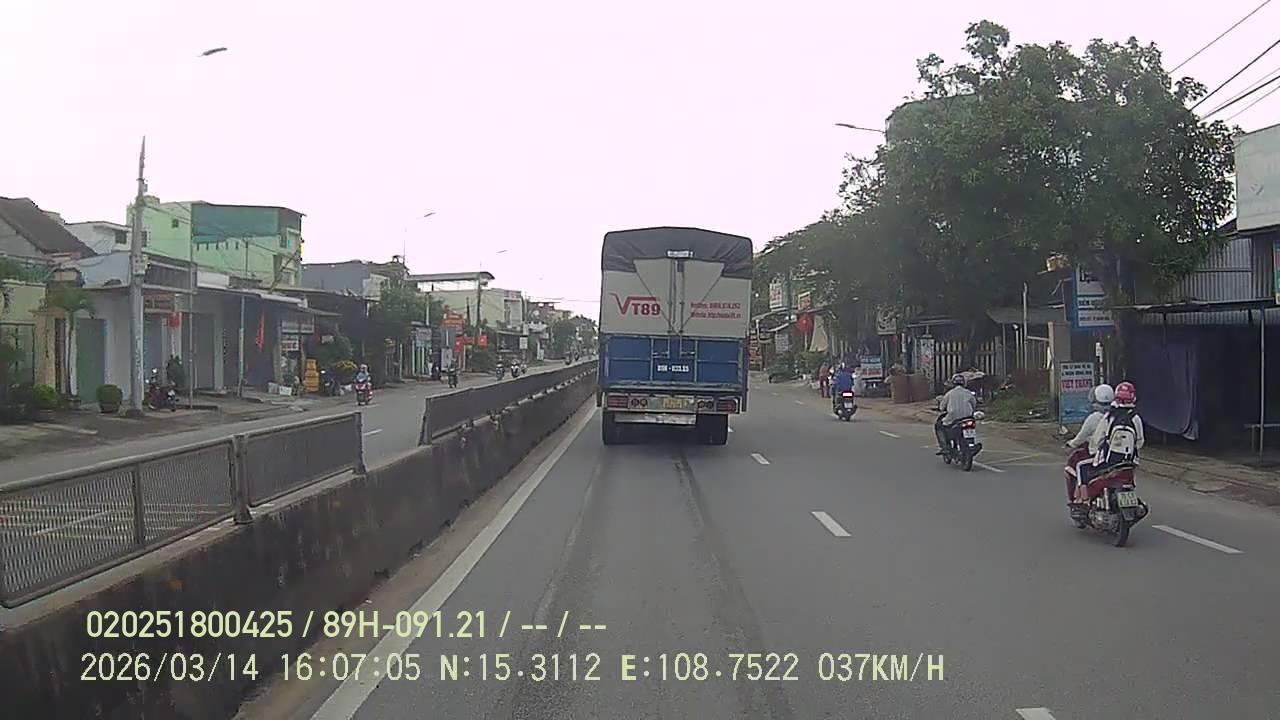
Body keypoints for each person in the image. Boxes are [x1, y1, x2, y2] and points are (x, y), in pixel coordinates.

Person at [1085, 381, 1144, 483]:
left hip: (1109, 462)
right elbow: (1140, 441)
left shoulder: (1110, 416)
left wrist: (1093, 452)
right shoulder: (1136, 418)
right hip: (1130, 462)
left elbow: (1098, 438)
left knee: (1086, 473)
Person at [1065, 384, 1114, 504]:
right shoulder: (1117, 416)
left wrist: (1070, 444)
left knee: (1077, 465)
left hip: (1097, 455)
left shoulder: (1094, 418)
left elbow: (1081, 437)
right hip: (1116, 455)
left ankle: (1081, 498)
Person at [935, 374, 977, 453]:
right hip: (968, 418)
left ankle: (945, 447)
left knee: (939, 426)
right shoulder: (968, 393)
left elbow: (941, 407)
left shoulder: (949, 393)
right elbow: (974, 404)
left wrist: (942, 408)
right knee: (970, 428)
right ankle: (971, 444)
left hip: (953, 419)